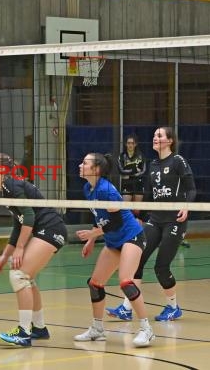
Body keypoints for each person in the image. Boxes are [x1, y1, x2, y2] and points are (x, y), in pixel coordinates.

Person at [107, 127, 195, 322]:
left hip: (174, 220)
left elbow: (191, 189)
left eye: (160, 135)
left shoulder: (178, 161)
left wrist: (187, 207)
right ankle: (126, 308)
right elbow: (150, 196)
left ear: (170, 140)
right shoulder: (153, 164)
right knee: (136, 260)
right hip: (155, 220)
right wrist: (140, 215)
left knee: (161, 267)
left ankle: (173, 307)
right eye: (154, 135)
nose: (155, 138)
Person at [0, 153, 67, 347]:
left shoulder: (12, 185)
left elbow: (29, 216)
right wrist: (5, 254)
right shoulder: (6, 189)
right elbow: (18, 223)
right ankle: (38, 328)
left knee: (19, 275)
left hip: (51, 228)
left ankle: (23, 332)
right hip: (46, 230)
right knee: (26, 277)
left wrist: (20, 248)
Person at [74, 153, 155, 347]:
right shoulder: (88, 188)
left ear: (96, 170)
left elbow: (117, 221)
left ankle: (147, 329)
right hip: (113, 241)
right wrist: (91, 241)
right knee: (95, 284)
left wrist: (93, 235)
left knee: (126, 281)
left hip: (131, 236)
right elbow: (99, 216)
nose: (80, 165)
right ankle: (97, 329)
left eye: (84, 163)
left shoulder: (106, 190)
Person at [117, 133, 146, 215]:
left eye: (132, 143)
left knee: (136, 210)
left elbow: (143, 171)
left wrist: (129, 173)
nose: (130, 145)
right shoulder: (121, 156)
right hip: (126, 184)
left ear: (135, 144)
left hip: (138, 183)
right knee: (125, 209)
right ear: (126, 144)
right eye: (128, 143)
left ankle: (135, 226)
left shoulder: (141, 156)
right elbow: (120, 171)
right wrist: (134, 170)